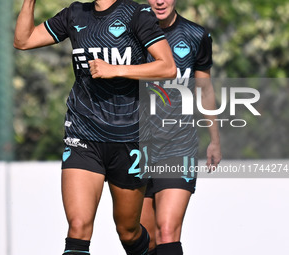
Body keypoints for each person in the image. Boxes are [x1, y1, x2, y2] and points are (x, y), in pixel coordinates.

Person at [14, 0, 177, 254]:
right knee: (78, 226)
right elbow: (23, 41)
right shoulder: (75, 13)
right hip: (83, 132)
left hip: (130, 136)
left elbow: (167, 66)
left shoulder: (136, 13)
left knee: (128, 231)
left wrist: (117, 70)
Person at [140, 0, 222, 254]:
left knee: (167, 232)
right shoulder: (132, 32)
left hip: (178, 144)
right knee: (142, 239)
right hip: (135, 144)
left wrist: (215, 140)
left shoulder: (196, 35)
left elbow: (205, 89)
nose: (160, 1)